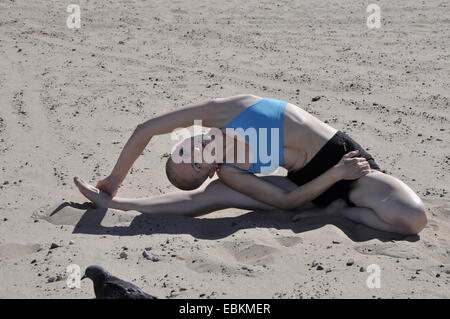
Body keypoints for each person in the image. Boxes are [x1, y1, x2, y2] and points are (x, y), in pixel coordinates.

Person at [74, 94, 427, 235]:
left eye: (185, 152)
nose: (197, 155)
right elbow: (286, 203)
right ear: (208, 170)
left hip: (350, 167)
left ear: (185, 138)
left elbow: (145, 129)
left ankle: (342, 212)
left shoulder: (225, 111)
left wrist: (114, 180)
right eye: (197, 166)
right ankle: (336, 213)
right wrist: (113, 204)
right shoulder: (229, 172)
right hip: (317, 186)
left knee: (412, 218)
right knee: (214, 197)